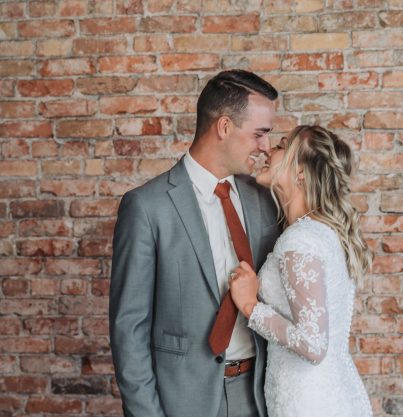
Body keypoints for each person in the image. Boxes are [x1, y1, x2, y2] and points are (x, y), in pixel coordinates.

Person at [109, 70, 281, 417]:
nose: (265, 146)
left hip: (259, 397)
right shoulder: (146, 207)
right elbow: (129, 329)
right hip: (181, 403)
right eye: (260, 133)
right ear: (224, 127)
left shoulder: (265, 200)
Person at [229, 125, 373, 417]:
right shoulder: (323, 232)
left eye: (282, 145)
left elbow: (312, 344)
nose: (269, 149)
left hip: (308, 402)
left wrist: (249, 305)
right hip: (329, 392)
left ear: (301, 173)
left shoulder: (301, 240)